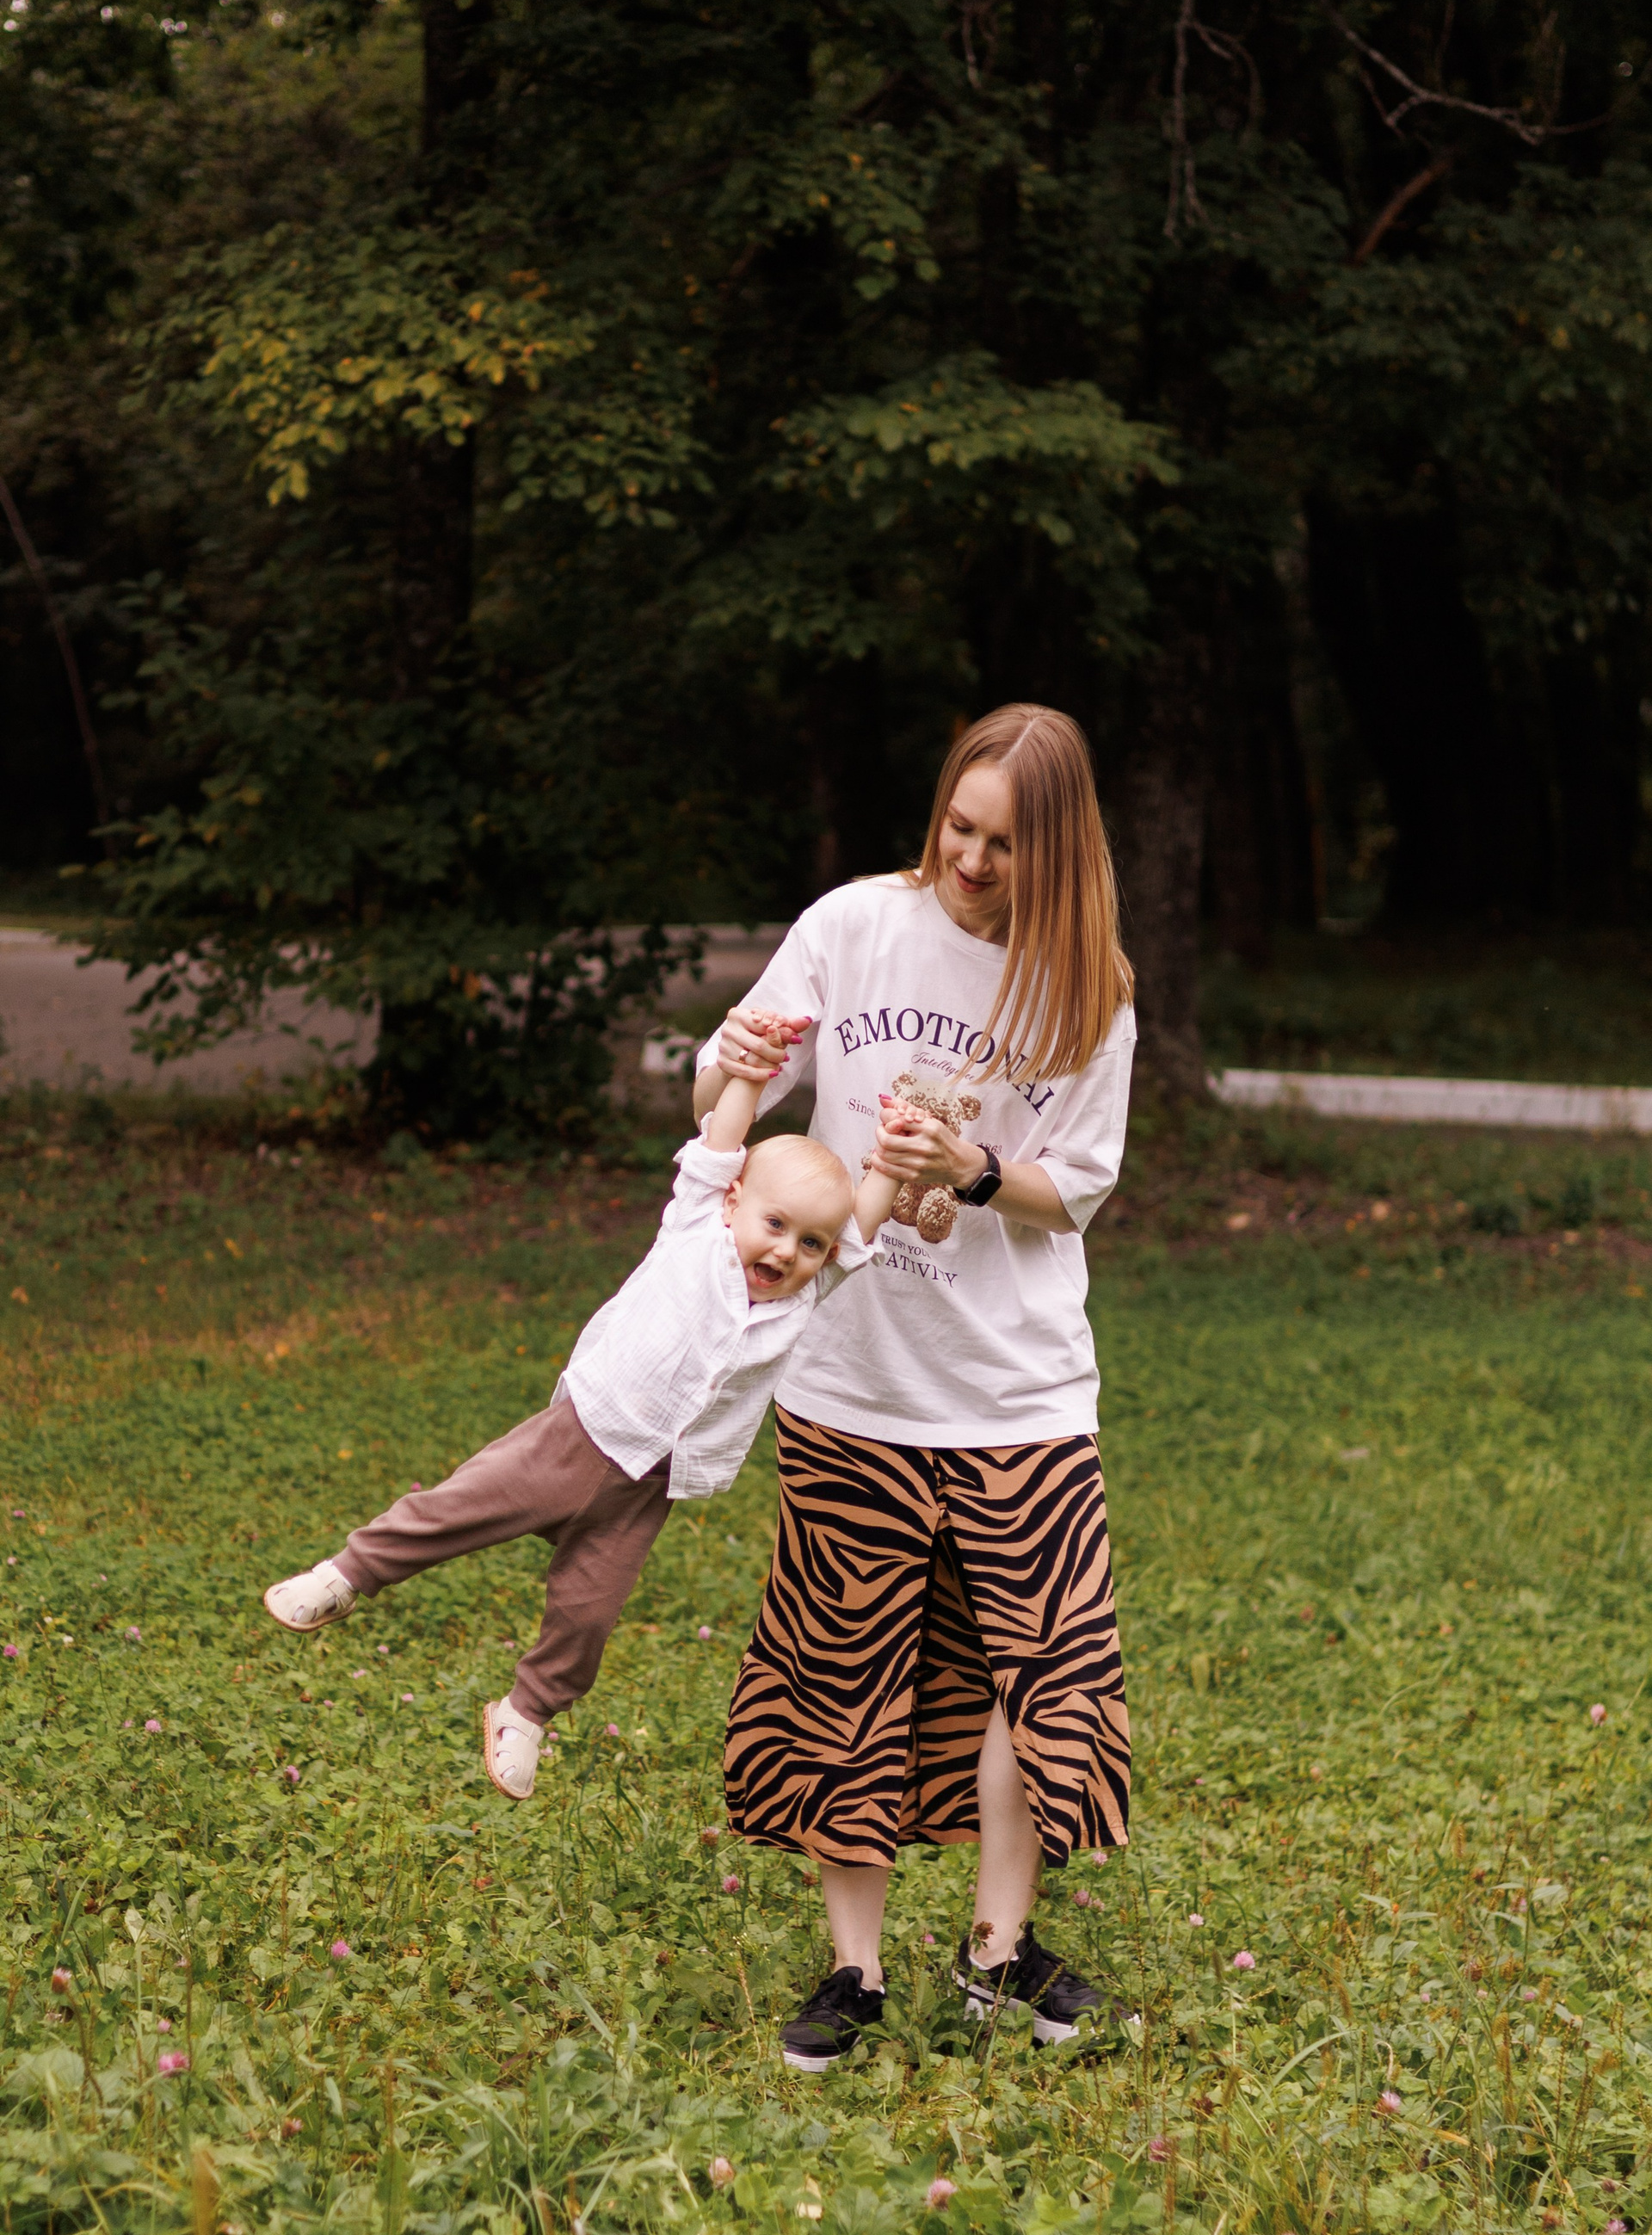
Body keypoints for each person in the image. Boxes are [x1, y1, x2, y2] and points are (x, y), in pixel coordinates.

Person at [694, 704, 1137, 2073]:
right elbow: (729, 1087)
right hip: (853, 1379)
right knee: (850, 1667)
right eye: (959, 827)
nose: (973, 862)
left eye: (1006, 844)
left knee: (1046, 1672)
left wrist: (974, 1172)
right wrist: (730, 1067)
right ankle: (857, 1970)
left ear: (1058, 850)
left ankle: (997, 1956)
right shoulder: (852, 926)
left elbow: (1080, 1186)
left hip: (1020, 1390)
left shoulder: (1089, 991)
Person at [262, 1027, 920, 1801]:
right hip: (582, 1434)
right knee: (452, 1511)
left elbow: (857, 1233)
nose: (787, 1252)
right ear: (734, 1202)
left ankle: (525, 1712)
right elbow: (720, 1146)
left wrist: (889, 1163)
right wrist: (748, 1073)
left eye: (809, 1244)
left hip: (649, 1484)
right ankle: (345, 1575)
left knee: (587, 1617)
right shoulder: (696, 1224)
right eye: (775, 1226)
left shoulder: (805, 1295)